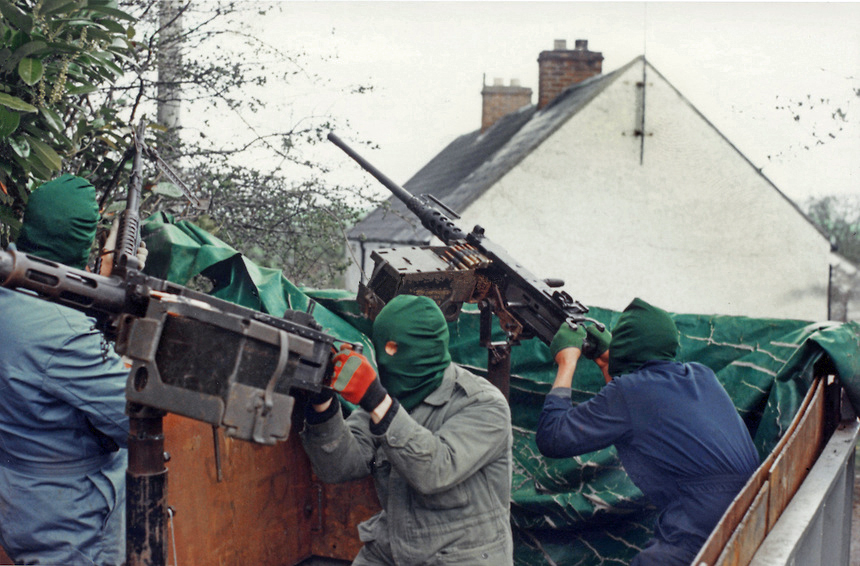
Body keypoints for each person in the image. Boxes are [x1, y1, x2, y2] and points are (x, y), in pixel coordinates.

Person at [535, 298, 760, 566]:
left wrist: (566, 362)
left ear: (627, 346)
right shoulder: (702, 375)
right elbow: (636, 413)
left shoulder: (629, 393)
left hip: (700, 519)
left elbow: (552, 437)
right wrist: (610, 365)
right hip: (748, 506)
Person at [300, 294, 514, 565]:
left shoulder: (482, 404)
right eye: (381, 347)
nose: (385, 358)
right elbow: (338, 467)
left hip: (463, 556)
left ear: (427, 348)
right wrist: (322, 398)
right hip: (395, 550)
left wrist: (377, 400)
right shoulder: (391, 394)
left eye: (393, 348)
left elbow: (434, 471)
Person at [0, 175, 132, 565]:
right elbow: (131, 420)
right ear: (81, 245)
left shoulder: (9, 290)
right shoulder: (64, 333)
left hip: (20, 494)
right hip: (72, 517)